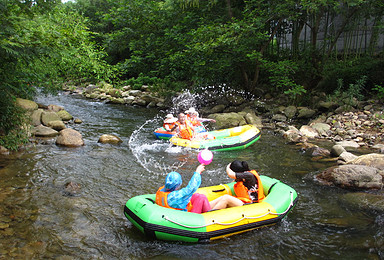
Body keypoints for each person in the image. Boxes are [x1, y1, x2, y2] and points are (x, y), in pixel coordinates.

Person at [156, 164, 244, 213]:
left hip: (176, 207)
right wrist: (197, 172)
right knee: (201, 198)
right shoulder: (174, 196)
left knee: (198, 196)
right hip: (189, 217)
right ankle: (210, 213)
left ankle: (219, 202)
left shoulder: (161, 190)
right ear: (177, 185)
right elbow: (191, 188)